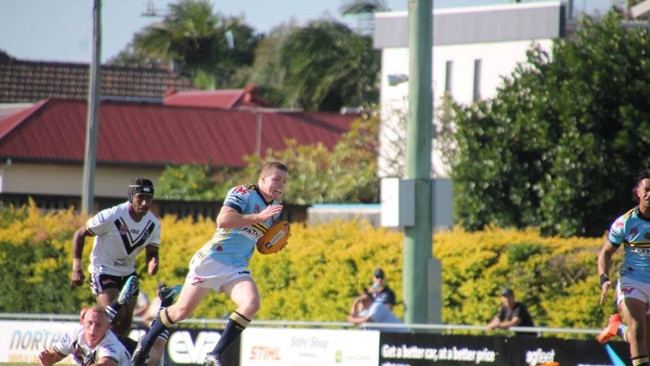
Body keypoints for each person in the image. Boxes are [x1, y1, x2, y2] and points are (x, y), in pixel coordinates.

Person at [131, 161, 289, 366]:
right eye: (276, 179)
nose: (281, 185)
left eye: (284, 181)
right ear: (262, 179)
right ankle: (145, 343)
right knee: (180, 312)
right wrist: (258, 217)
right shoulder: (243, 193)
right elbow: (224, 220)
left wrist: (273, 243)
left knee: (251, 303)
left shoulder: (273, 210)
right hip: (212, 259)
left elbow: (256, 239)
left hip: (236, 266)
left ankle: (214, 355)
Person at [70, 177, 161, 337]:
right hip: (103, 270)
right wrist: (77, 267)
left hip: (128, 273)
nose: (145, 203)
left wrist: (153, 262)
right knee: (116, 315)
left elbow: (152, 252)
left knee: (125, 323)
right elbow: (80, 234)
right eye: (140, 198)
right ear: (131, 197)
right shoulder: (112, 215)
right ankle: (87, 319)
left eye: (149, 199)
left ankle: (111, 355)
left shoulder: (153, 224)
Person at [597, 169, 650, 366]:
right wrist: (604, 278)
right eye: (647, 189)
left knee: (644, 343)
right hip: (632, 281)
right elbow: (606, 253)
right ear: (638, 192)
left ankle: (617, 327)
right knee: (638, 330)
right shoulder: (625, 222)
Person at [38, 305, 131, 366]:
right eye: (90, 323)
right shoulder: (73, 335)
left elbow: (106, 364)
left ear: (107, 328)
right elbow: (52, 357)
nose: (93, 329)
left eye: (98, 325)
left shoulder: (110, 343)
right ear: (83, 322)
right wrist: (47, 362)